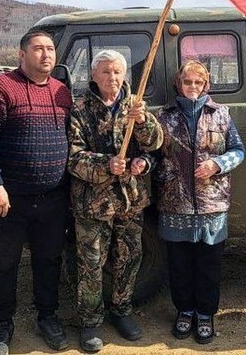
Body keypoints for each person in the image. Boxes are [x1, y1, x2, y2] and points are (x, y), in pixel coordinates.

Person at [0, 30, 73, 355]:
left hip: (53, 198)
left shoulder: (61, 92)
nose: (46, 55)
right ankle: (2, 325)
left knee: (49, 260)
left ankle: (47, 316)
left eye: (50, 49)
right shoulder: (0, 88)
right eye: (38, 49)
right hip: (8, 199)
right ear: (21, 55)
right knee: (2, 263)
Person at [67, 49, 163, 353]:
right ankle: (91, 320)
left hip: (130, 199)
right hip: (92, 203)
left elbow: (155, 145)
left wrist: (144, 123)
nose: (113, 77)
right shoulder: (79, 109)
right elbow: (73, 157)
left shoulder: (135, 106)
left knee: (129, 258)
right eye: (106, 71)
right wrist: (106, 164)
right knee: (91, 263)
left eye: (118, 72)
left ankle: (122, 311)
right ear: (94, 75)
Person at [153, 60, 245, 344]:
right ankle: (184, 311)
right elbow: (153, 154)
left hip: (211, 204)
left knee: (209, 265)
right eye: (187, 82)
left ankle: (205, 314)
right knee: (179, 264)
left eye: (198, 83)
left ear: (206, 85)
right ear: (177, 85)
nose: (192, 87)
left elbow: (238, 150)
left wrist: (217, 164)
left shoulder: (221, 115)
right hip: (174, 202)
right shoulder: (163, 116)